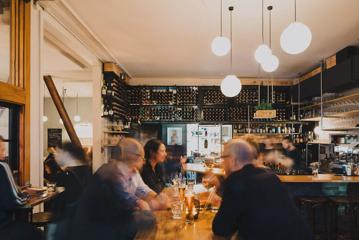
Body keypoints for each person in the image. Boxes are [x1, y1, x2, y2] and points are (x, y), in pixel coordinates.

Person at [212, 139, 311, 240]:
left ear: (233, 160)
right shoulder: (271, 177)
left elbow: (220, 229)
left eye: (223, 158)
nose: (222, 163)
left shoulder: (236, 180)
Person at [60, 138, 156, 240]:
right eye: (143, 159)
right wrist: (148, 214)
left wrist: (142, 208)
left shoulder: (112, 170)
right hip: (94, 234)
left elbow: (124, 207)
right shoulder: (111, 175)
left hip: (97, 229)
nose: (144, 162)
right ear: (135, 157)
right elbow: (123, 218)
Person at [0, 136, 43, 240]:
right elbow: (12, 202)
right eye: (2, 150)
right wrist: (27, 195)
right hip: (4, 229)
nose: (4, 154)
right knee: (38, 234)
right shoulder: (2, 167)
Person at [49, 142, 92, 220]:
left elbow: (65, 204)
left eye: (58, 152)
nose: (55, 156)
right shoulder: (85, 170)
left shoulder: (70, 175)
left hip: (70, 222)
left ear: (66, 154)